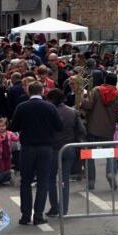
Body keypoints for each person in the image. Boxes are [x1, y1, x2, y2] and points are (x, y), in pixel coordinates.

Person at [9, 82, 63, 225]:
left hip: (27, 147)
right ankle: (38, 215)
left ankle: (26, 215)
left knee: (25, 182)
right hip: (45, 147)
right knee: (42, 182)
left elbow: (13, 126)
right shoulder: (50, 107)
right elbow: (59, 126)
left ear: (28, 91)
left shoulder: (22, 107)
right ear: (43, 91)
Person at [81, 70, 118, 191]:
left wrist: (82, 100)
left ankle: (91, 180)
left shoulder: (96, 90)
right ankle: (110, 173)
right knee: (110, 154)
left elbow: (88, 105)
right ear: (115, 83)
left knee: (90, 155)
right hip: (108, 129)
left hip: (92, 128)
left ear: (104, 81)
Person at [46, 87, 85, 216]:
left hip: (53, 149)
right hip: (69, 148)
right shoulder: (72, 112)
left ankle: (54, 207)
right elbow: (81, 130)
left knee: (51, 178)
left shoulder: (49, 112)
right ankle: (64, 209)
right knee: (65, 179)